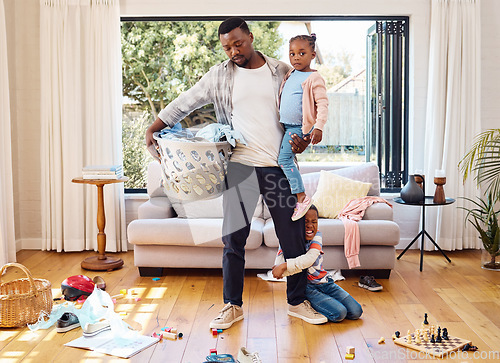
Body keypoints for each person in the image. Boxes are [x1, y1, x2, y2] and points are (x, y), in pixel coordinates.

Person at [145, 17, 327, 329]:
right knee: (233, 242)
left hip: (278, 167)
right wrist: (154, 127)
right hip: (240, 166)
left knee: (293, 238)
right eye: (227, 47)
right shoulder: (219, 75)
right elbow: (183, 103)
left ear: (251, 37)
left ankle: (297, 302)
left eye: (238, 43)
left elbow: (304, 109)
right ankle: (233, 305)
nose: (233, 51)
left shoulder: (282, 71)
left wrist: (303, 140)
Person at [272, 205, 363, 322]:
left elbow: (308, 260)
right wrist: (280, 267)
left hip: (325, 282)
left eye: (314, 222)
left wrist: (284, 266)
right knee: (339, 313)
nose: (310, 225)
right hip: (308, 288)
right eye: (305, 222)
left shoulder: (317, 236)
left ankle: (325, 300)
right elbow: (278, 265)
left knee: (356, 311)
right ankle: (309, 303)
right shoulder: (289, 240)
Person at [278, 34, 328, 221]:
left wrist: (319, 127)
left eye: (301, 53)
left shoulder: (314, 77)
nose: (296, 57)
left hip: (298, 127)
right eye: (292, 54)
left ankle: (301, 197)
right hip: (285, 126)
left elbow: (322, 104)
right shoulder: (290, 73)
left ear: (313, 54)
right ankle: (297, 196)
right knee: (284, 160)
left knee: (284, 160)